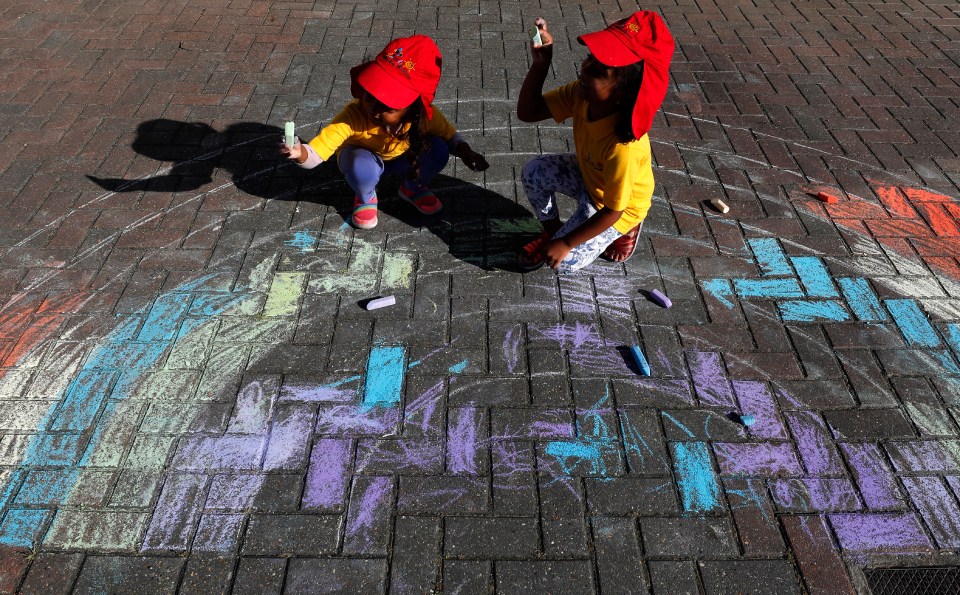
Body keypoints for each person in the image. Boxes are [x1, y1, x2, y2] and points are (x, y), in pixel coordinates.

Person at [515, 11, 674, 272]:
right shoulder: (581, 94)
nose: (585, 69)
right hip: (591, 179)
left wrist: (567, 243)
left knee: (564, 264)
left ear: (624, 93)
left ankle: (625, 231)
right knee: (534, 171)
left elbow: (613, 210)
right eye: (590, 58)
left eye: (599, 71)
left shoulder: (625, 148)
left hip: (619, 208)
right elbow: (528, 112)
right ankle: (553, 234)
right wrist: (541, 65)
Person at [281, 35, 489, 229]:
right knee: (359, 165)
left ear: (412, 108)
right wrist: (300, 154)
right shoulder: (354, 115)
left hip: (402, 159)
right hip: (364, 160)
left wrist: (465, 152)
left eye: (388, 106)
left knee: (439, 150)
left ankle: (412, 187)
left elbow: (450, 137)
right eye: (371, 95)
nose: (374, 108)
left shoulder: (423, 117)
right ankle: (366, 195)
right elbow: (317, 153)